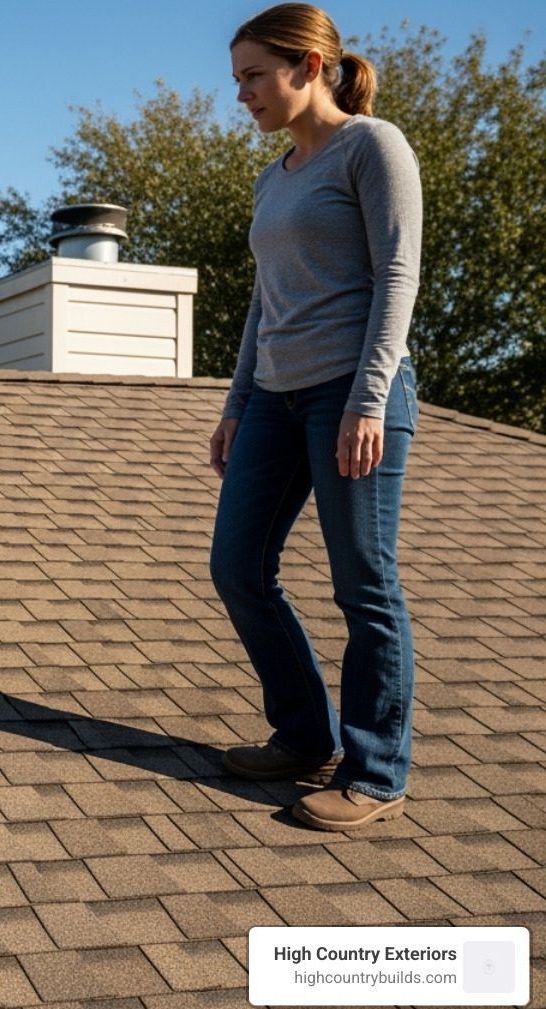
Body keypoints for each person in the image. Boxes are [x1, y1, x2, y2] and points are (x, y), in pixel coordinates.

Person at [210, 4, 422, 831]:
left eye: (254, 75)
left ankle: (375, 772)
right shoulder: (275, 176)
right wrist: (236, 404)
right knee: (237, 567)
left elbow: (397, 278)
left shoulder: (373, 147)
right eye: (237, 79)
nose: (243, 94)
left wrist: (369, 399)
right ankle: (305, 736)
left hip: (352, 394)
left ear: (308, 67)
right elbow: (266, 304)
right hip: (273, 397)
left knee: (362, 584)